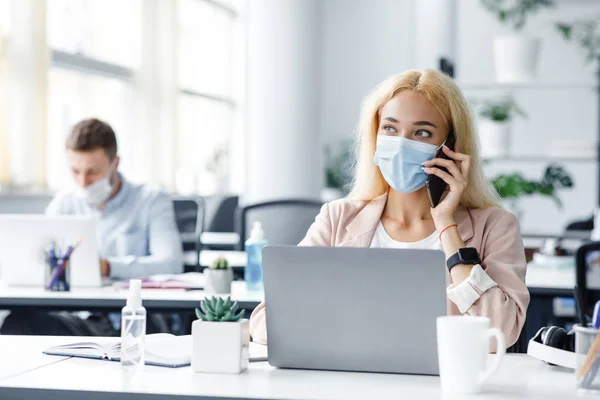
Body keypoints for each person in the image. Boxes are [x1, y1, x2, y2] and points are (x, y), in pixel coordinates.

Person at [249, 69, 530, 349]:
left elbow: (501, 331)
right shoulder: (337, 218)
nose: (401, 145)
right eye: (390, 129)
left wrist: (446, 226)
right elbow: (265, 321)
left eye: (422, 132)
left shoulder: (495, 226)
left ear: (451, 147)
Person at [45, 118, 183, 279]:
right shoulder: (63, 204)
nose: (83, 182)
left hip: (132, 301)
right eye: (76, 171)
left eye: (93, 172)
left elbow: (171, 264)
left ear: (115, 163)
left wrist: (108, 268)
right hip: (76, 300)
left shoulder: (152, 200)